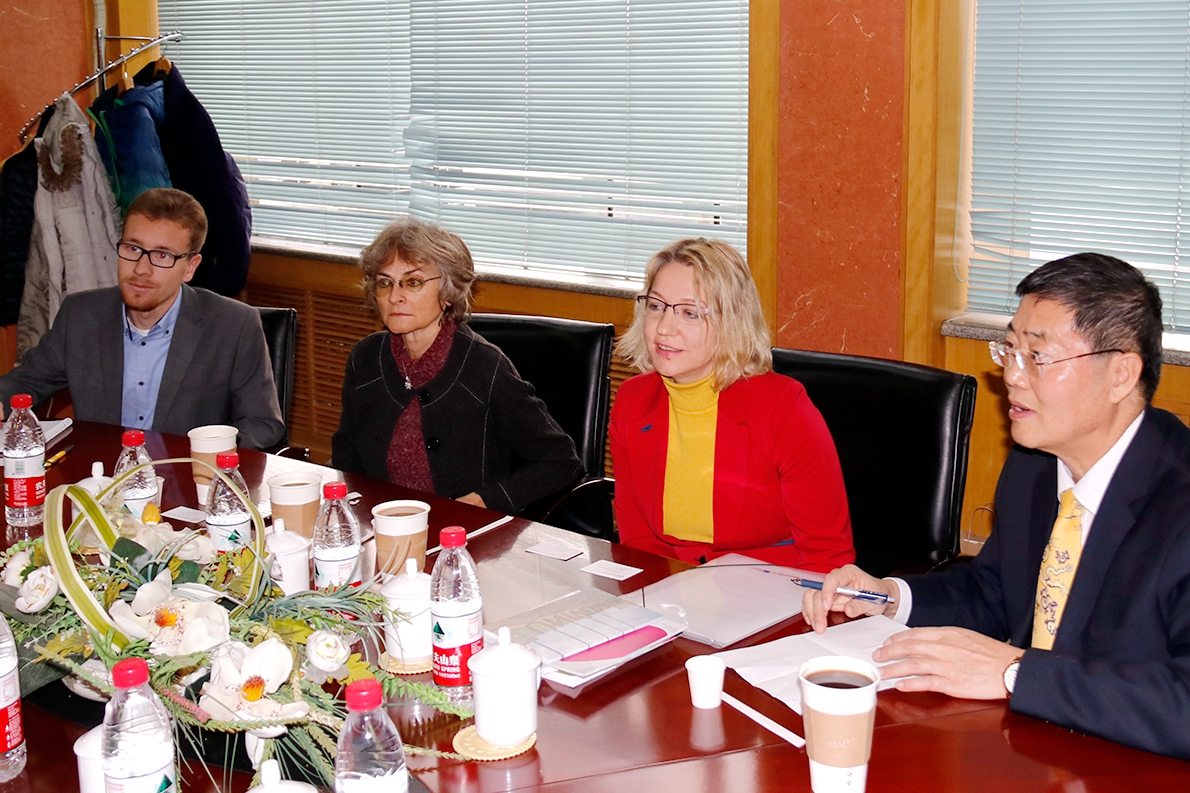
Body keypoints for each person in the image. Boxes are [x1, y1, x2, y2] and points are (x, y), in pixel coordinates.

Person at [803, 252, 1190, 760]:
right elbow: (995, 591)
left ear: (1121, 374)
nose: (1012, 375)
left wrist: (1015, 674)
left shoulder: (1179, 501)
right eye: (1010, 350)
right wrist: (892, 596)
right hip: (1030, 750)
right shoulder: (1035, 465)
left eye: (1037, 356)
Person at [610, 238, 854, 572]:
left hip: (773, 584)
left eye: (690, 313)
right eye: (655, 306)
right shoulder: (633, 400)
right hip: (671, 582)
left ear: (731, 321)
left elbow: (827, 555)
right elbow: (638, 540)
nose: (664, 328)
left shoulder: (782, 407)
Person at [0, 188, 285, 451]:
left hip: (186, 478)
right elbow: (26, 381)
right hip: (101, 478)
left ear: (190, 267)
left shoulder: (233, 325)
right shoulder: (81, 314)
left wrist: (207, 458)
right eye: (133, 249)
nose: (141, 270)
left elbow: (262, 424)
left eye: (162, 255)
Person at [331, 217, 582, 514]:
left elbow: (560, 461)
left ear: (448, 292)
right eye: (385, 282)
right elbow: (347, 457)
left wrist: (483, 501)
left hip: (463, 531)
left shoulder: (484, 367)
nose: (395, 297)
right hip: (382, 524)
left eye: (413, 282)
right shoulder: (365, 359)